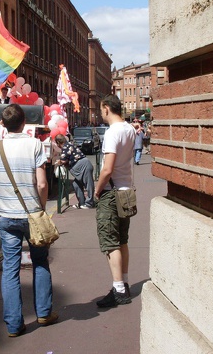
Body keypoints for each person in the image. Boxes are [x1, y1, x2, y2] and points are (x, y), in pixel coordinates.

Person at [0, 104, 58, 337]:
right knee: (40, 262)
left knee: (10, 270)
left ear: (2, 125)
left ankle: (14, 325)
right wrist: (41, 209)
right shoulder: (35, 144)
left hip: (6, 216)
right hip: (32, 213)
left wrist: (2, 206)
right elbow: (42, 183)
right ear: (24, 123)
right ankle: (44, 313)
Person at [93, 94, 136, 308]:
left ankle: (119, 290)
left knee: (110, 242)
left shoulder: (112, 132)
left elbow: (107, 169)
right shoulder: (129, 129)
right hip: (127, 190)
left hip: (111, 192)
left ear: (107, 108)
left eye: (102, 109)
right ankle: (124, 282)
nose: (101, 113)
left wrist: (97, 189)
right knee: (122, 240)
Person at [54, 133, 95, 208]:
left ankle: (89, 203)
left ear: (58, 143)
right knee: (76, 184)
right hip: (82, 166)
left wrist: (58, 162)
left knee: (88, 184)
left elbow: (63, 160)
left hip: (83, 166)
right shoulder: (69, 145)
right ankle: (82, 203)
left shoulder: (65, 147)